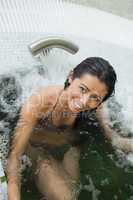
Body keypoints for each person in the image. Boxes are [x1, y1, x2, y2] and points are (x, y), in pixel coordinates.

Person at [6, 57, 133, 200]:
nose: (84, 101)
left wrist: (122, 141)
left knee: (73, 194)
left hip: (69, 148)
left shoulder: (95, 107)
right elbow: (14, 156)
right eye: (82, 89)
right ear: (71, 77)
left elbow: (113, 138)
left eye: (95, 98)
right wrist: (13, 190)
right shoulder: (38, 103)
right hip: (37, 148)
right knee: (64, 196)